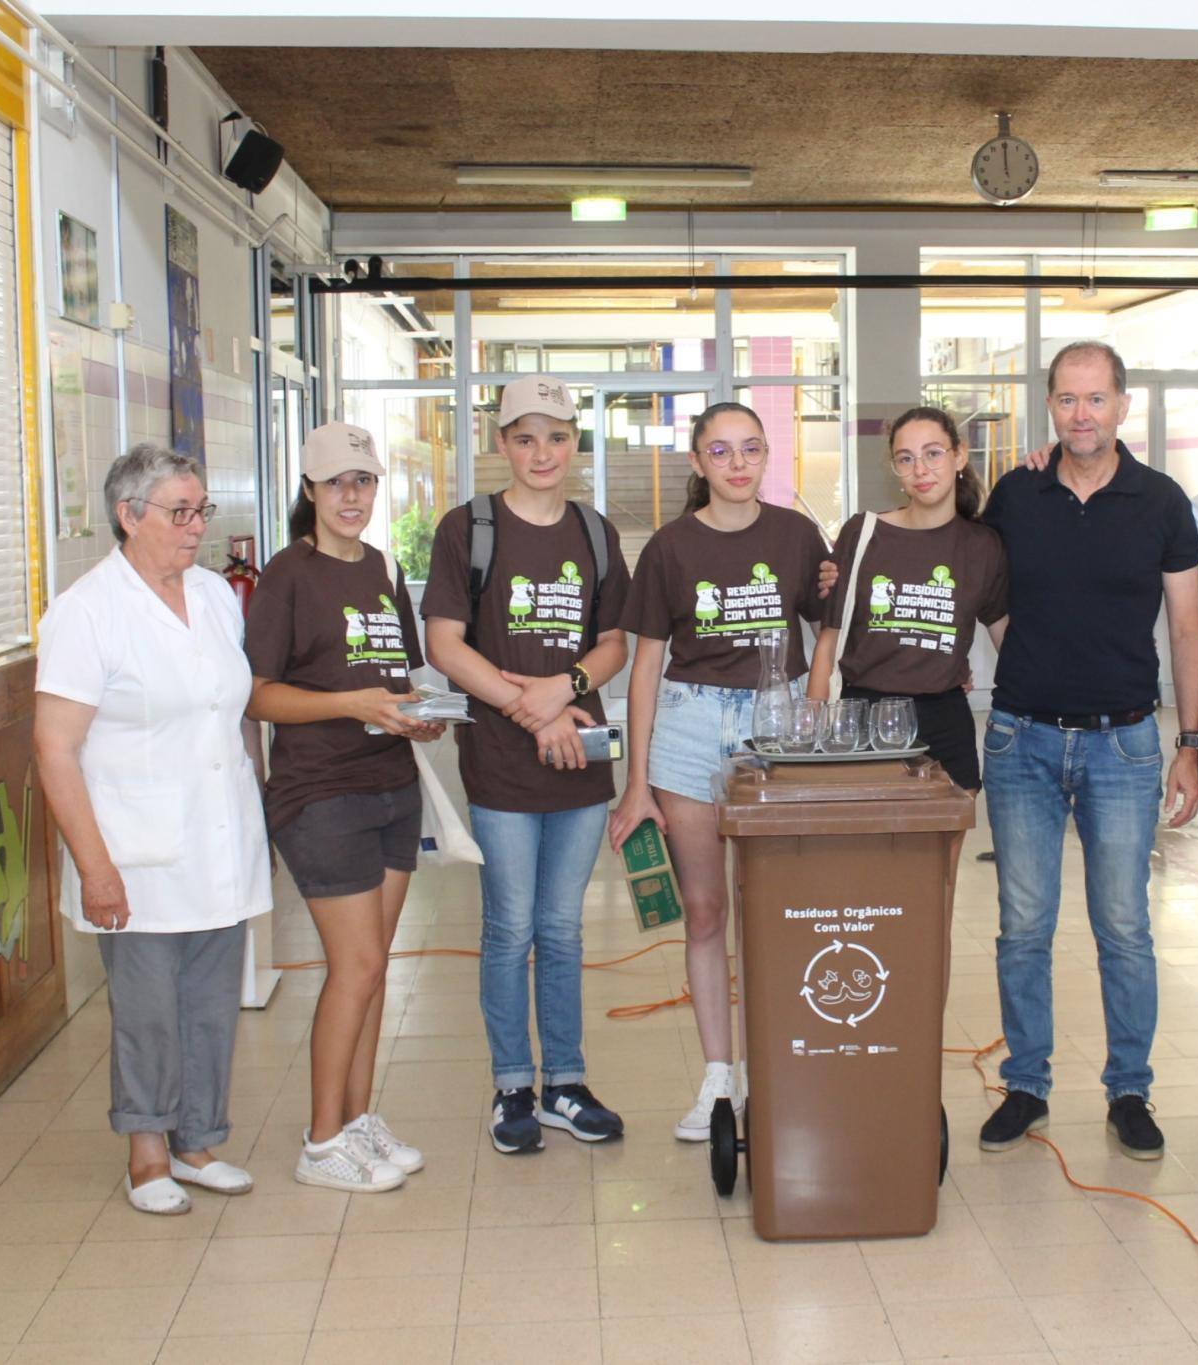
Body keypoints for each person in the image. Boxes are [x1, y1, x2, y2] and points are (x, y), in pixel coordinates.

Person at [975, 340, 1198, 1163]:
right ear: (1051, 406)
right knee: (1023, 925)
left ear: (1122, 405)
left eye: (1096, 398)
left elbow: (1185, 624)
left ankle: (1130, 1089)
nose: (1082, 414)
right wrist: (1025, 654)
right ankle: (1027, 1084)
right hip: (1021, 740)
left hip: (1126, 745)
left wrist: (1189, 742)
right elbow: (978, 587)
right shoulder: (1015, 491)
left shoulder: (1162, 501)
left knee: (1124, 927)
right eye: (1067, 400)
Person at [33, 444, 272, 1215]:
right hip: (135, 851)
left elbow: (229, 710)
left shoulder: (213, 596)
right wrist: (95, 868)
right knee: (147, 1009)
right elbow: (55, 749)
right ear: (128, 515)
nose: (196, 526)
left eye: (201, 509)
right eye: (180, 511)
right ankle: (146, 1152)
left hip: (218, 838)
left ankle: (197, 1139)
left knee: (210, 998)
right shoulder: (86, 612)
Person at [608, 401, 830, 1141]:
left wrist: (816, 716)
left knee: (780, 909)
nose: (738, 464)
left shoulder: (797, 536)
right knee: (704, 910)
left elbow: (831, 622)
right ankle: (718, 1081)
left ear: (766, 458)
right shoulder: (669, 548)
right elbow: (644, 668)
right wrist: (637, 782)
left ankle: (788, 1067)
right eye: (722, 451)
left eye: (752, 450)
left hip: (777, 723)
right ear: (698, 463)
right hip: (691, 725)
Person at [422, 375, 632, 1154]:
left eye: (556, 436)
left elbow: (613, 642)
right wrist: (532, 709)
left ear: (575, 442)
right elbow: (446, 644)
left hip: (579, 757)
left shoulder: (594, 530)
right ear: (500, 443)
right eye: (524, 437)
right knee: (510, 927)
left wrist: (563, 690)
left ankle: (566, 1084)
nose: (542, 452)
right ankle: (513, 1082)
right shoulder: (467, 528)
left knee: (564, 927)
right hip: (503, 763)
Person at [244, 422, 442, 1192]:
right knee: (353, 965)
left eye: (363, 482)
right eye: (336, 484)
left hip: (391, 782)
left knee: (373, 969)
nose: (351, 496)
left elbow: (399, 677)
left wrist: (417, 711)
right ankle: (322, 1140)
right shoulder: (287, 577)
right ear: (310, 492)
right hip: (319, 791)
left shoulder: (385, 571)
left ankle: (359, 1122)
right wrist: (347, 702)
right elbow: (257, 693)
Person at [807, 405, 1009, 794]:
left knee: (939, 853)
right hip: (863, 716)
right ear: (895, 468)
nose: (921, 470)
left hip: (944, 719)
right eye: (906, 458)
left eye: (933, 453)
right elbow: (829, 642)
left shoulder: (983, 546)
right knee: (872, 852)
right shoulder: (863, 533)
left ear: (959, 455)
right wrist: (816, 732)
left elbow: (1006, 637)